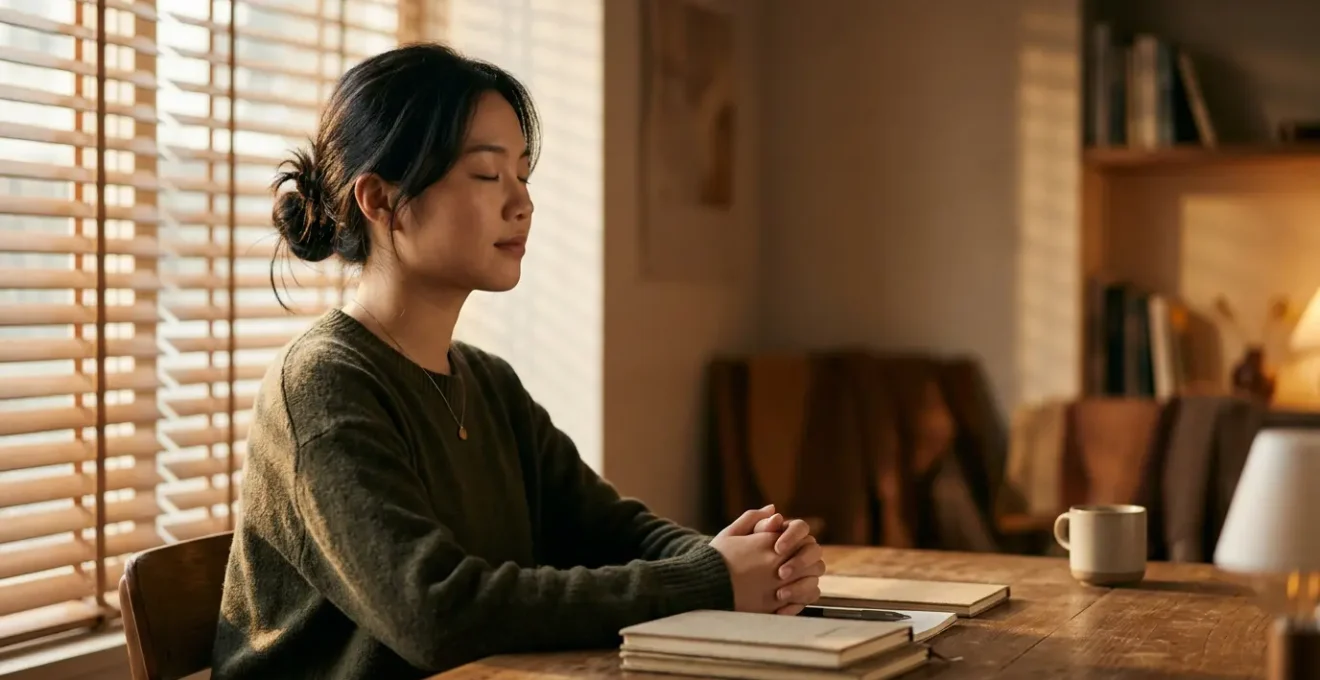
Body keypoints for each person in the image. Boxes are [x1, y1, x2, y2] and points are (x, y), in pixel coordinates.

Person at [210, 43, 825, 679]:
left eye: (523, 175)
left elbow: (610, 530)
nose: (521, 204)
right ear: (380, 199)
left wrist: (751, 561)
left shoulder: (488, 383)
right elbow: (438, 613)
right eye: (486, 174)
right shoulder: (321, 384)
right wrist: (711, 579)